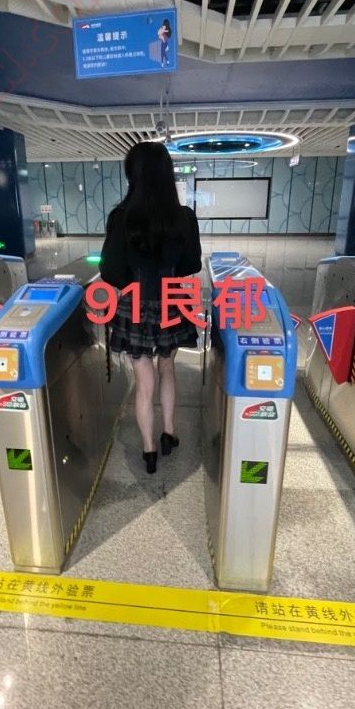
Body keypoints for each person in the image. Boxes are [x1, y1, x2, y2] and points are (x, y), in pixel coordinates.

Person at [100, 142, 202, 475]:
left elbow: (110, 272)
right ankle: (169, 432)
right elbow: (191, 265)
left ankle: (149, 450)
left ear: (133, 175)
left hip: (135, 305)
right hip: (171, 302)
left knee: (144, 382)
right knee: (167, 368)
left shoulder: (121, 218)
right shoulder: (184, 217)